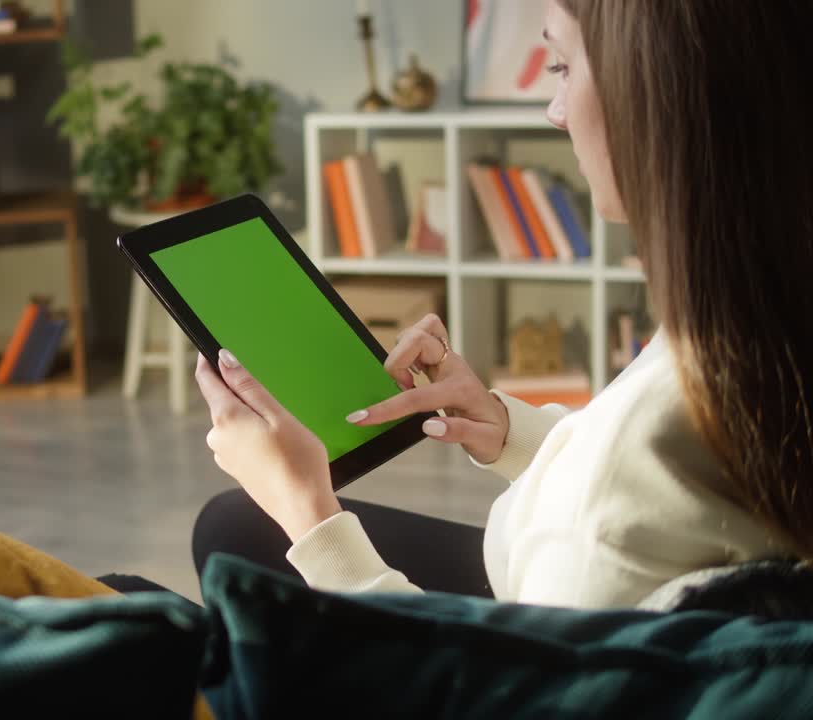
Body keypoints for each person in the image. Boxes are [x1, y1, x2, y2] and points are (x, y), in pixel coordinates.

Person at [190, 0, 813, 609]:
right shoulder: (755, 326)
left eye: (562, 66)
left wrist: (308, 511)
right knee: (232, 524)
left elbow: (472, 687)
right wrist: (509, 430)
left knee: (208, 563)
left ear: (658, 97)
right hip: (546, 588)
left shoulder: (628, 477)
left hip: (506, 651)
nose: (555, 111)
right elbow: (655, 500)